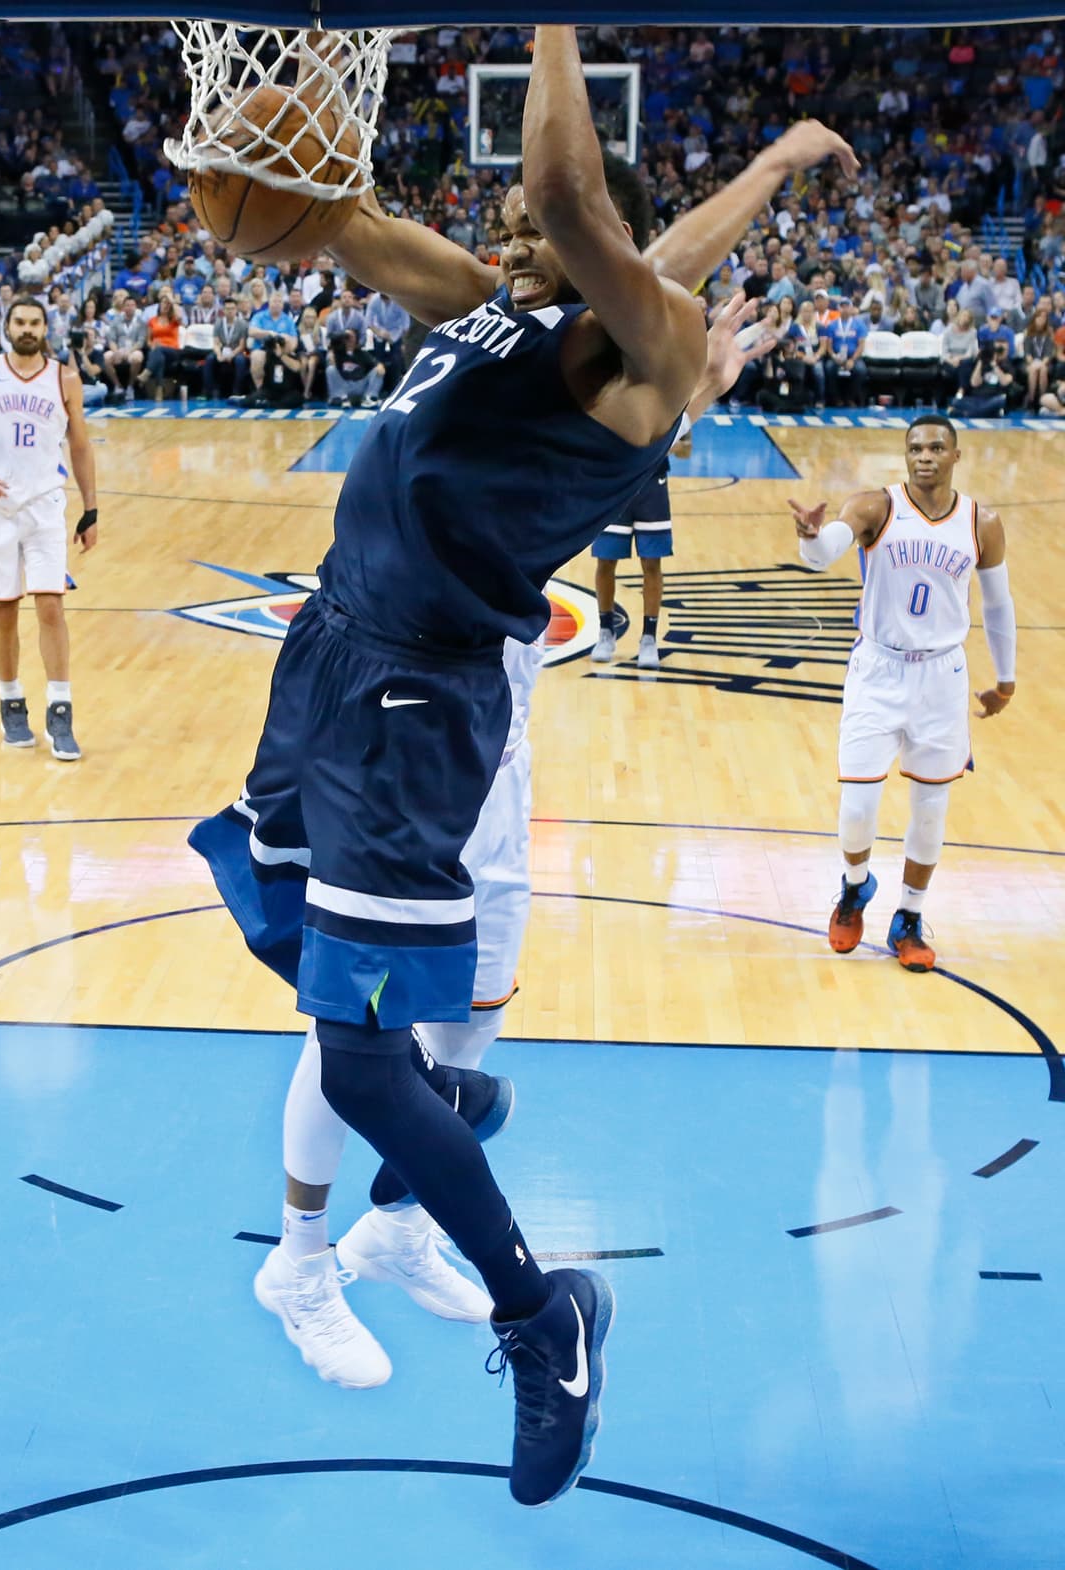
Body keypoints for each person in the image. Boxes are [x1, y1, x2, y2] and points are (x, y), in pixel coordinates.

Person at [188, 22, 854, 1510]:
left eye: (528, 223)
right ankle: (439, 1102)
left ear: (601, 248)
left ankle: (540, 1314)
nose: (502, 226)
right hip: (331, 653)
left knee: (355, 1055)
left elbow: (575, 199)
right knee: (289, 935)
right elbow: (358, 231)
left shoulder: (647, 356)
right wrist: (262, 180)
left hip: (415, 705)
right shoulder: (499, 307)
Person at [264, 297, 767, 1389]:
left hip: (494, 764)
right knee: (359, 1029)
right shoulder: (467, 418)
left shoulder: (574, 432)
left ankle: (396, 1231)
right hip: (406, 740)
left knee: (470, 1027)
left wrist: (689, 384)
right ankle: (299, 1260)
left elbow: (611, 438)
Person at [788, 415, 1016, 972]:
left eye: (936, 447)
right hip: (878, 669)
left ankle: (909, 917)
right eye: (915, 448)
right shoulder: (875, 507)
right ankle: (855, 887)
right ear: (905, 455)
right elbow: (825, 553)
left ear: (956, 456)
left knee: (931, 810)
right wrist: (811, 537)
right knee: (858, 806)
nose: (925, 456)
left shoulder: (981, 523)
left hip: (942, 675)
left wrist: (1005, 679)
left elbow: (998, 603)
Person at [0, 295, 98, 760]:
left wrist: (91, 509)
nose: (27, 329)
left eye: (35, 322)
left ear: (45, 328)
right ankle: (11, 701)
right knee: (3, 610)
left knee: (51, 606)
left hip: (44, 507)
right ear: (7, 326)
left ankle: (60, 709)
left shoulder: (65, 378)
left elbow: (80, 447)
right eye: (20, 322)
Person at [591, 427, 693, 667]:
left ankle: (649, 638)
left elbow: (686, 450)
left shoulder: (670, 406)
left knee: (651, 562)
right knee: (605, 560)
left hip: (652, 484)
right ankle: (606, 631)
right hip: (616, 482)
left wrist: (658, 447)